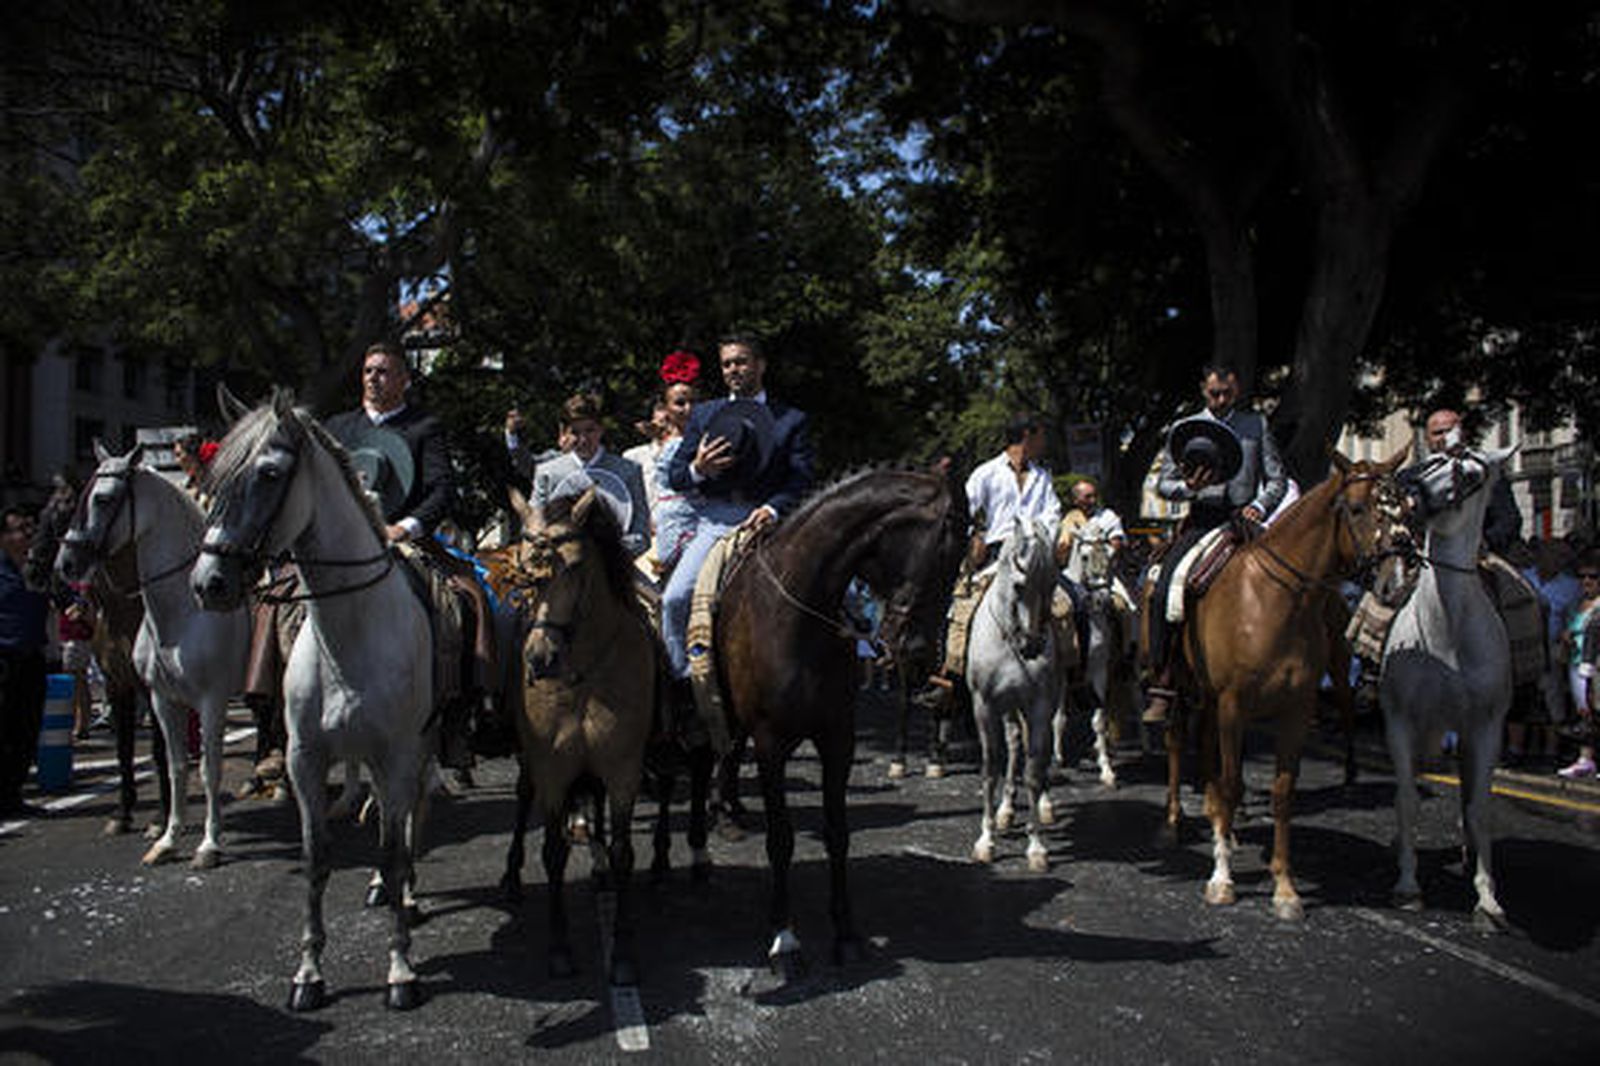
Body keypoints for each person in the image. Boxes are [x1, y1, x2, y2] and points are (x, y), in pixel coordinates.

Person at [661, 335, 814, 679]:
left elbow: (801, 479)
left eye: (741, 361)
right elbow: (675, 476)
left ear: (761, 365)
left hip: (772, 524)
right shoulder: (704, 414)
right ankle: (682, 685)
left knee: (829, 595)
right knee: (674, 599)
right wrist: (698, 469)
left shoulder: (791, 419)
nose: (734, 369)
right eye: (727, 363)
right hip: (715, 523)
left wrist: (773, 509)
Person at [1144, 365, 1288, 723]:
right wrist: (1188, 488)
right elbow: (1164, 483)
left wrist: (1259, 506)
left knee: (1287, 583)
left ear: (1235, 391)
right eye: (1213, 394)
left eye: (1226, 393)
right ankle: (1163, 681)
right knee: (1165, 587)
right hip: (1202, 520)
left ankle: (1285, 671)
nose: (1220, 399)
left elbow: (1276, 479)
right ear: (1204, 392)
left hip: (1243, 520)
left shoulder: (1256, 425)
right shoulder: (1184, 428)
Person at [324, 342, 455, 544]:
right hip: (336, 538)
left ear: (405, 380)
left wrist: (406, 528)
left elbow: (442, 488)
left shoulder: (425, 428)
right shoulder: (336, 427)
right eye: (368, 371)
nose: (372, 378)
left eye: (382, 372)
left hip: (401, 541)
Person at [531, 392, 652, 559]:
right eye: (575, 432)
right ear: (564, 433)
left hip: (615, 566)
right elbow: (534, 524)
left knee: (648, 587)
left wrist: (612, 553)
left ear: (601, 429)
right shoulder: (547, 473)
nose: (583, 439)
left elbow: (641, 534)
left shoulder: (628, 471)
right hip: (559, 566)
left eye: (590, 430)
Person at [964, 413, 1062, 567]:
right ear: (1027, 435)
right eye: (1041, 437)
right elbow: (965, 509)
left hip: (1036, 556)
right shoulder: (986, 472)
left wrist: (1037, 537)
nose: (1044, 443)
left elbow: (1053, 513)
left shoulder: (1043, 477)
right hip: (997, 556)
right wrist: (973, 537)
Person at [1, 505, 49, 817]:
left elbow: (63, 594)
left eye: (29, 530)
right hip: (4, 657)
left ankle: (13, 792)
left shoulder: (36, 568)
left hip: (32, 655)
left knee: (27, 727)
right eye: (19, 530)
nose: (26, 536)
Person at [1557, 557, 1600, 779]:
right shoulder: (1576, 604)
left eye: (1593, 576)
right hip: (1576, 661)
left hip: (1595, 666)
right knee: (1584, 713)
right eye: (1582, 576)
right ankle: (1586, 760)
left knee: (1595, 710)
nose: (1587, 580)